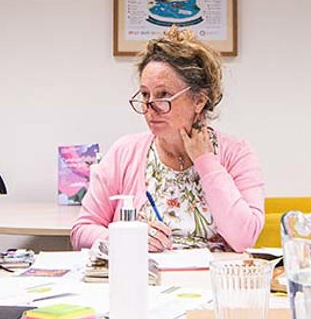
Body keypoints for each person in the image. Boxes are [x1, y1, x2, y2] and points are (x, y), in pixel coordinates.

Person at [71, 27, 264, 252]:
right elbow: (82, 230)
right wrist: (127, 237)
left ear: (199, 101)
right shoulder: (124, 152)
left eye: (163, 95)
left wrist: (205, 161)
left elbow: (244, 239)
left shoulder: (237, 153)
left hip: (211, 282)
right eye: (145, 95)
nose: (150, 108)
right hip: (144, 280)